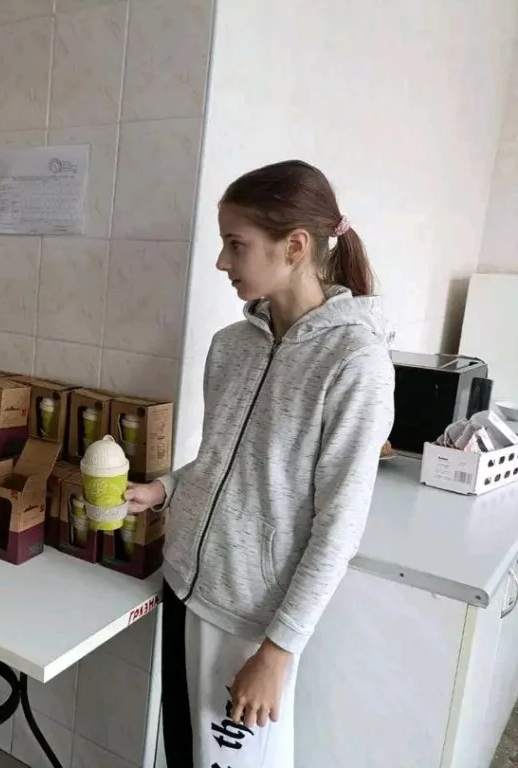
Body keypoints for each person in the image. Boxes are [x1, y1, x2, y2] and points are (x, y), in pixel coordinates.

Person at [127, 160, 394, 767]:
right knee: (181, 752)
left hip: (252, 620)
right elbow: (224, 463)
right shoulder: (230, 347)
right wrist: (165, 489)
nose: (222, 262)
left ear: (294, 246)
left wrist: (277, 652)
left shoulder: (355, 363)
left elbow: (340, 525)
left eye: (236, 244)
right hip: (182, 585)